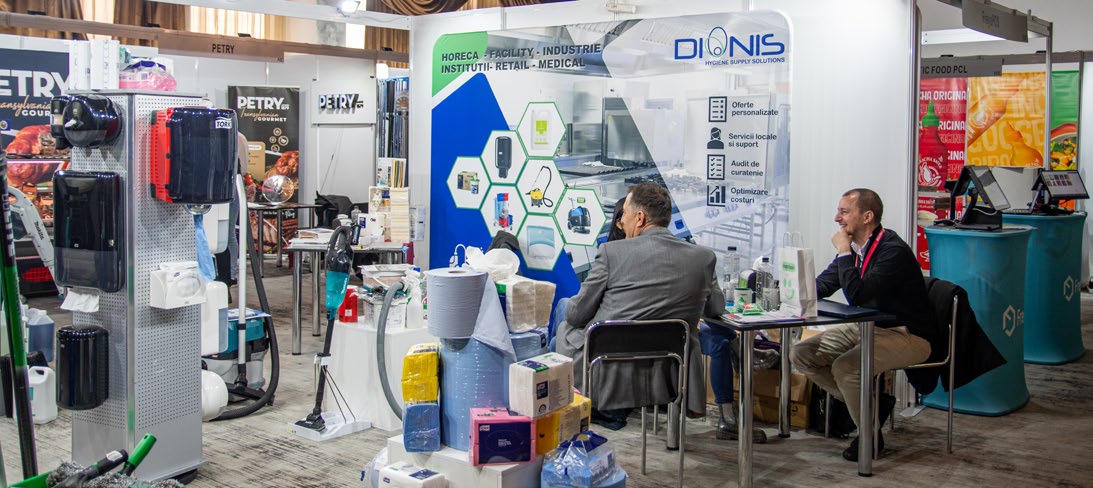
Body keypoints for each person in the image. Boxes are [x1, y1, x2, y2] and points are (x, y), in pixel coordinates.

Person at [555, 183, 721, 448]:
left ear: (640, 217)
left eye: (625, 214)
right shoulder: (703, 258)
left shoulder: (611, 253)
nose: (622, 221)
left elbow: (576, 315)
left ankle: (564, 421)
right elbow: (716, 309)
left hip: (607, 373)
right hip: (668, 376)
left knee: (562, 325)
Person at [791, 188, 942, 461]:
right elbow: (824, 284)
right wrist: (788, 290)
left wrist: (843, 251)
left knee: (846, 368)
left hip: (908, 334)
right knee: (801, 353)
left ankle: (870, 436)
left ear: (867, 216)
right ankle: (872, 407)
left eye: (844, 212)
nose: (837, 218)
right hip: (867, 327)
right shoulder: (857, 249)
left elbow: (858, 294)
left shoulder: (892, 251)